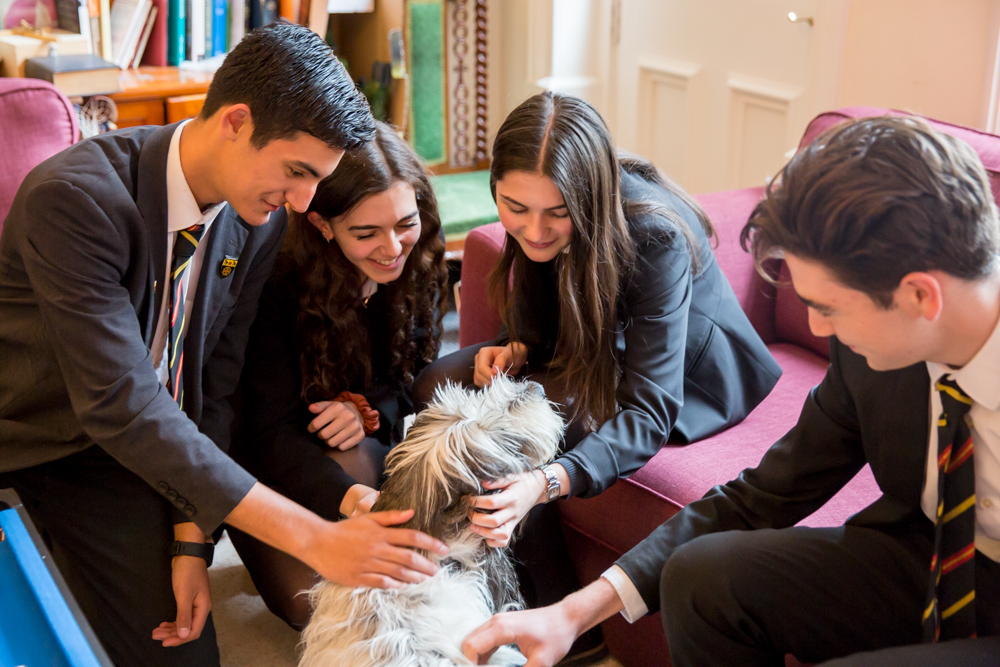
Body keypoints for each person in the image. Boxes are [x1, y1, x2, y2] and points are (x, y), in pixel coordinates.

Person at [462, 116, 1000, 667]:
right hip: (927, 554)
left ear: (919, 296)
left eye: (829, 308)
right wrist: (573, 612)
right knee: (700, 577)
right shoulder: (871, 358)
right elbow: (765, 494)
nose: (817, 330)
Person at [0, 22, 447, 667]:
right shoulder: (75, 201)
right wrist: (317, 538)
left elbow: (212, 383)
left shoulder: (253, 223)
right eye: (296, 171)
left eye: (316, 181)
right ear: (236, 121)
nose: (303, 202)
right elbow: (124, 407)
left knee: (184, 657)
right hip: (33, 443)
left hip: (123, 460)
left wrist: (191, 536)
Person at [413, 91, 782, 664]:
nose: (532, 230)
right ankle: (467, 575)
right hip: (595, 348)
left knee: (507, 437)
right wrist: (518, 346)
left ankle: (565, 620)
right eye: (514, 207)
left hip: (681, 378)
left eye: (557, 213)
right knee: (437, 383)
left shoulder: (655, 235)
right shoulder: (535, 207)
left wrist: (548, 479)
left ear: (587, 197)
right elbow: (540, 288)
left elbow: (648, 409)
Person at [229, 121, 449, 628]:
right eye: (366, 233)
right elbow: (260, 431)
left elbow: (411, 382)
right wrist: (355, 503)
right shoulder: (276, 279)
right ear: (324, 226)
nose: (393, 247)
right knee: (323, 611)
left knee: (393, 598)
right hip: (268, 463)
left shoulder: (418, 257)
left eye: (405, 222)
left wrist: (362, 409)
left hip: (355, 452)